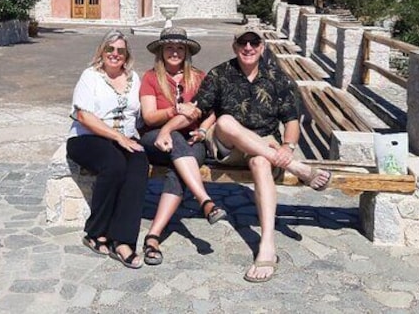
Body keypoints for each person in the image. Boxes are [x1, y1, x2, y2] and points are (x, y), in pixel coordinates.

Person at [194, 26, 331, 283]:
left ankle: (267, 243)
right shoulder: (220, 74)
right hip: (228, 145)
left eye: (254, 43)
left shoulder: (277, 78)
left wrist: (288, 147)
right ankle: (298, 168)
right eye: (243, 43)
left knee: (259, 161)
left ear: (262, 47)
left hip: (267, 147)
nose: (248, 48)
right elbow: (201, 109)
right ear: (235, 46)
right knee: (225, 121)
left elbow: (291, 120)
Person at [138, 27, 227, 266]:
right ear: (161, 51)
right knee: (176, 140)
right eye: (169, 47)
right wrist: (175, 111)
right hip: (155, 138)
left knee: (178, 168)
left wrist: (202, 129)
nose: (174, 52)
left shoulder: (198, 77)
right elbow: (148, 117)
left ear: (187, 52)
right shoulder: (150, 77)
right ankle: (205, 201)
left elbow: (211, 110)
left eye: (179, 48)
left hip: (191, 139)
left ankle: (153, 237)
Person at [67, 29, 148, 269]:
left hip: (125, 138)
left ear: (127, 55)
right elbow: (83, 115)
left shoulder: (134, 79)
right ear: (102, 51)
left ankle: (123, 241)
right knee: (113, 164)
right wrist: (117, 137)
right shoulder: (90, 76)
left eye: (120, 50)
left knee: (139, 165)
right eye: (110, 49)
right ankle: (95, 232)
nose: (115, 54)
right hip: (87, 137)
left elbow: (142, 115)